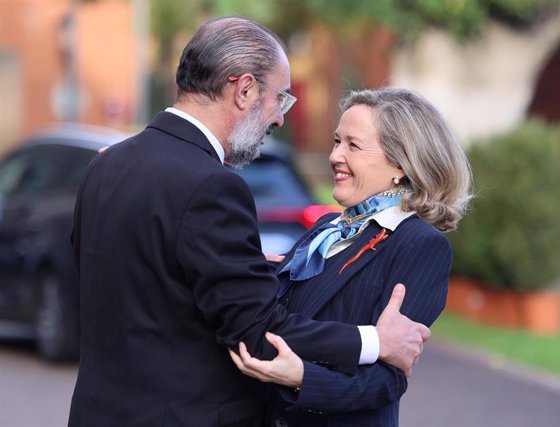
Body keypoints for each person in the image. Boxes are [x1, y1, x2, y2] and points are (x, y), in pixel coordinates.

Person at [68, 17, 430, 427]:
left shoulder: (105, 165)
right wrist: (376, 341)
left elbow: (142, 280)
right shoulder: (211, 185)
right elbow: (257, 333)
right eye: (280, 98)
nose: (279, 119)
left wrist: (244, 266)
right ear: (242, 90)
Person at [229, 87, 473, 427]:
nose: (334, 156)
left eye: (353, 145)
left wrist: (302, 378)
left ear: (402, 164)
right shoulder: (330, 226)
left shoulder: (419, 244)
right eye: (336, 141)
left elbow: (386, 382)